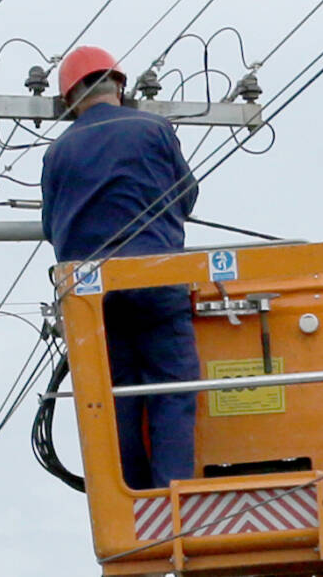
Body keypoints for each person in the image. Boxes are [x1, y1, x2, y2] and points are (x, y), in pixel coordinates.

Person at [40, 45, 200, 490]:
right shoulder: (155, 129)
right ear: (120, 87)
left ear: (71, 98)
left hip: (94, 297)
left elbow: (51, 229)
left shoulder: (58, 153)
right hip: (157, 281)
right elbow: (186, 197)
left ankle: (132, 501)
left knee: (114, 399)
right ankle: (174, 498)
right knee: (173, 389)